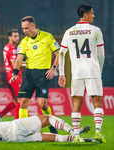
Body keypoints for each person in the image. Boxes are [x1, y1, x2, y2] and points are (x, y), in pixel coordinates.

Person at [58, 4, 106, 143]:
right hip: (92, 70)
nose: (93, 15)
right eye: (91, 13)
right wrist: (100, 70)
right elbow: (101, 55)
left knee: (76, 103)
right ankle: (97, 132)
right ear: (84, 15)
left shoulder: (69, 31)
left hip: (77, 72)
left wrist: (62, 73)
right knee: (97, 102)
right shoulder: (96, 31)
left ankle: (77, 136)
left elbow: (61, 53)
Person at [9, 16, 60, 134]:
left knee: (42, 105)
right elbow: (18, 58)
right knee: (22, 102)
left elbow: (59, 54)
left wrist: (53, 68)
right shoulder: (24, 41)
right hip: (29, 74)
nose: (25, 31)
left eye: (27, 28)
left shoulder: (47, 37)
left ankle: (51, 124)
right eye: (23, 28)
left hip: (43, 74)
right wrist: (15, 72)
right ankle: (23, 130)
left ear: (33, 26)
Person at [0, 100, 93, 143]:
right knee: (48, 118)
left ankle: (80, 140)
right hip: (16, 127)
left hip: (17, 139)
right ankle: (74, 131)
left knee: (53, 138)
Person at [0, 29, 23, 121]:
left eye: (18, 36)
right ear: (9, 37)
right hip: (14, 77)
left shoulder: (6, 47)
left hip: (8, 75)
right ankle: (17, 121)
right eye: (15, 36)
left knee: (15, 100)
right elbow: (14, 64)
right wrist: (27, 64)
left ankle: (0, 115)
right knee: (21, 100)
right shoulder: (13, 49)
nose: (17, 38)